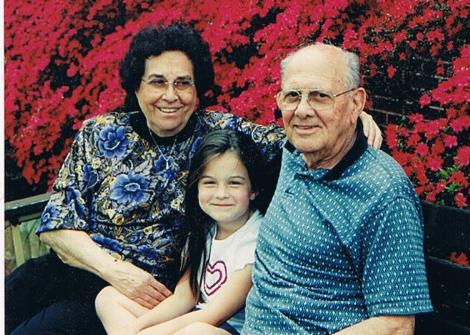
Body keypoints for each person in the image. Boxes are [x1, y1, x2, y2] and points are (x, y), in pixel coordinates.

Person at [5, 24, 381, 335]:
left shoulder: (218, 132)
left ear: (198, 89)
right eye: (157, 82)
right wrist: (117, 272)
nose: (171, 96)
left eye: (183, 83)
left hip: (141, 297)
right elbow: (57, 225)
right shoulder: (99, 133)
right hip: (86, 272)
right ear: (136, 87)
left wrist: (351, 117)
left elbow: (296, 135)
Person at [242, 43, 433, 335]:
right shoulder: (293, 152)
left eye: (321, 96)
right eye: (293, 96)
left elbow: (396, 326)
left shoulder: (383, 193)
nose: (303, 110)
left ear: (356, 102)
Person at [95, 129, 271, 335]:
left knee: (196, 331)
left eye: (234, 183)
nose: (221, 194)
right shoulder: (205, 229)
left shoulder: (256, 239)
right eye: (210, 182)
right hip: (193, 319)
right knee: (109, 298)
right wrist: (135, 329)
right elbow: (184, 297)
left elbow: (213, 315)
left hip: (227, 329)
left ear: (253, 190)